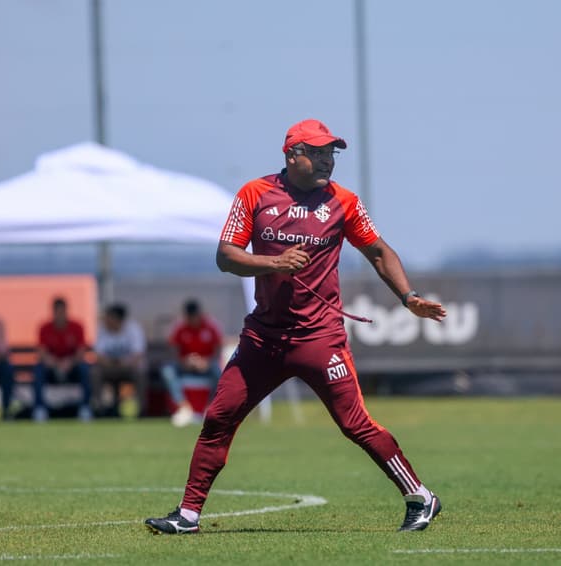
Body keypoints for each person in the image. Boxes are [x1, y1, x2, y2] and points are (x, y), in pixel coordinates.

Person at [145, 119, 447, 534]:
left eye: (332, 154)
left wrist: (408, 297)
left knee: (354, 424)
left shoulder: (344, 201)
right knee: (219, 417)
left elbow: (378, 252)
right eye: (319, 153)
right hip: (263, 338)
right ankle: (188, 516)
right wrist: (275, 262)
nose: (328, 162)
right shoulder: (254, 193)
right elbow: (225, 256)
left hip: (320, 339)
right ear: (292, 155)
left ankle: (421, 496)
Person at [160, 299, 223, 427]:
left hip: (206, 364)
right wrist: (184, 362)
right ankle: (184, 407)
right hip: (185, 364)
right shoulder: (180, 327)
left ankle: (211, 408)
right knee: (167, 371)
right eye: (190, 317)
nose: (193, 321)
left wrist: (206, 362)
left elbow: (218, 350)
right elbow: (173, 351)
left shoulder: (211, 326)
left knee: (219, 372)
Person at [33, 297, 92, 422]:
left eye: (62, 311)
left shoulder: (77, 327)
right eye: (57, 311)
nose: (60, 314)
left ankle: (85, 407)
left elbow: (81, 352)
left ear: (66, 310)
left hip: (72, 367)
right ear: (53, 311)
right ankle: (40, 408)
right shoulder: (44, 328)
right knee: (38, 369)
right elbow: (42, 353)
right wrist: (56, 364)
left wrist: (69, 362)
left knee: (84, 368)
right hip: (52, 367)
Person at [92, 303, 147, 418]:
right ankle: (98, 409)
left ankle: (141, 410)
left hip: (129, 367)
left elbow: (138, 355)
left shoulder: (133, 329)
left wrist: (123, 362)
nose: (106, 321)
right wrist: (111, 363)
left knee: (141, 371)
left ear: (117, 319)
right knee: (94, 372)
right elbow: (98, 355)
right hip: (109, 367)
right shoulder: (102, 330)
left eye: (109, 318)